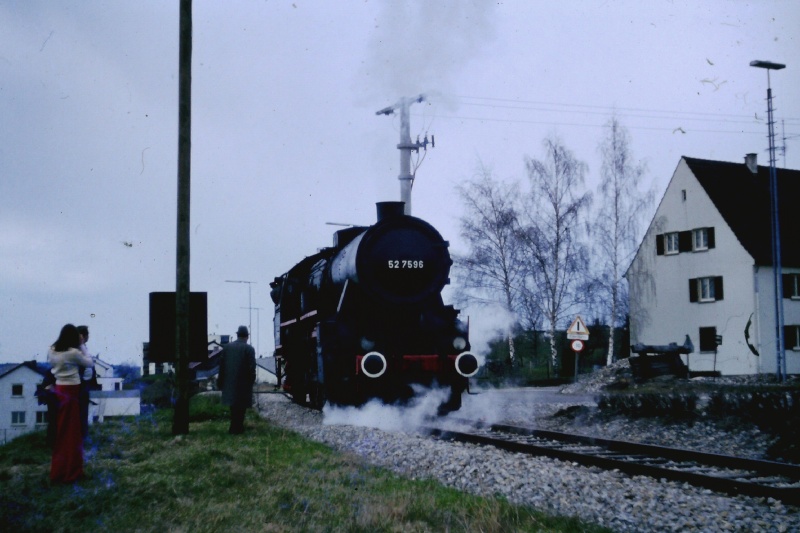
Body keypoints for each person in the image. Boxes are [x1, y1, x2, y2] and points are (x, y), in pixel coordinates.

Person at [47, 324, 94, 483]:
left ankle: (59, 471)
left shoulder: (52, 350)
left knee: (62, 433)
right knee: (73, 434)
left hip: (59, 389)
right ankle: (72, 472)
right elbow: (89, 363)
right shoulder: (73, 353)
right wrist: (81, 345)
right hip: (72, 390)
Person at [217, 326, 256, 434]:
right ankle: (238, 427)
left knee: (233, 407)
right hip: (243, 383)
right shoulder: (249, 349)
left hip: (229, 382)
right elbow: (251, 367)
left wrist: (220, 381)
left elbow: (221, 366)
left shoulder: (227, 348)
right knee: (241, 408)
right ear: (247, 337)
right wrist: (251, 380)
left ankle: (233, 427)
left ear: (237, 334)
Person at [76, 325, 98, 439]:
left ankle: (83, 434)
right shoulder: (77, 349)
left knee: (83, 409)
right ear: (84, 336)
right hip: (80, 385)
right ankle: (81, 435)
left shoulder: (83, 348)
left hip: (85, 384)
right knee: (81, 410)